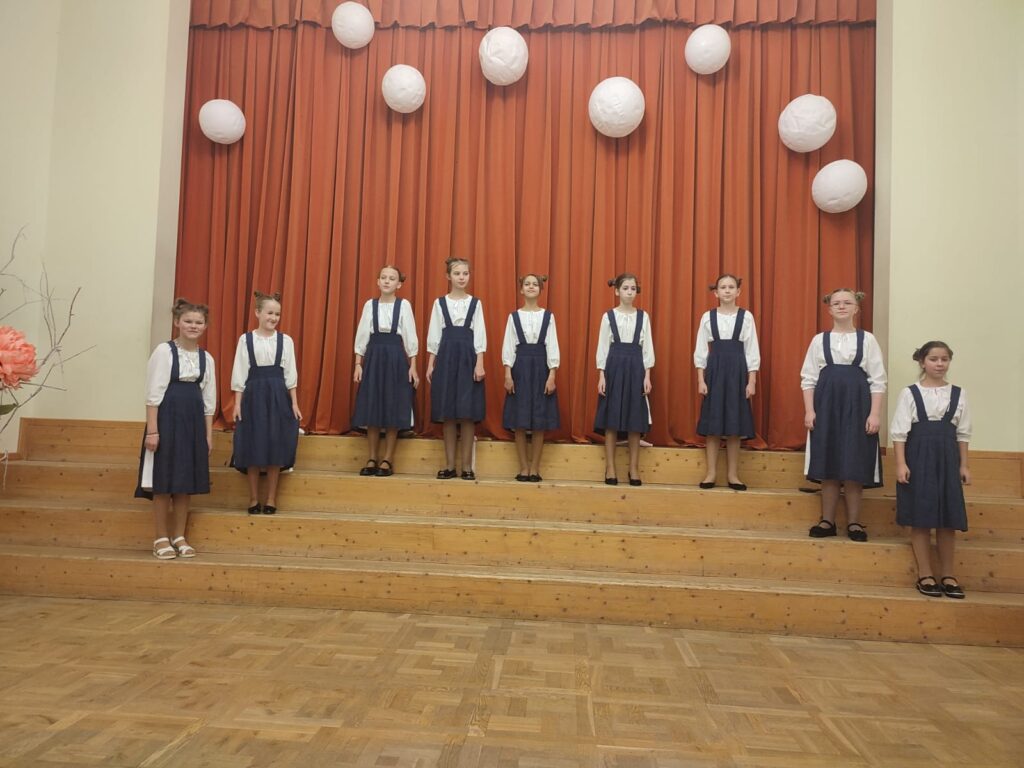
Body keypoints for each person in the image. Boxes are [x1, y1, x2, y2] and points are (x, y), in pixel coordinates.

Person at [801, 289, 886, 542]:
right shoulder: (819, 341)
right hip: (826, 407)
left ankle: (854, 522)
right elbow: (808, 378)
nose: (841, 306)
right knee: (828, 462)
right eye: (836, 303)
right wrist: (810, 410)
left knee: (854, 462)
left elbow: (878, 380)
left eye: (847, 302)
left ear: (856, 308)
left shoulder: (867, 340)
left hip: (858, 407)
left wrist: (874, 414)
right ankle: (827, 521)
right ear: (829, 309)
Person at [135, 298, 216, 559]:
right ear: (177, 322)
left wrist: (207, 436)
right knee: (164, 481)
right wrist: (153, 431)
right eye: (188, 321)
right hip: (167, 421)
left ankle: (179, 536)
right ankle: (160, 537)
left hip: (193, 425)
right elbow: (153, 395)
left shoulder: (207, 359)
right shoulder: (164, 352)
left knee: (184, 482)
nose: (193, 325)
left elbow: (209, 402)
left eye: (198, 322)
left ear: (205, 326)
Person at [891, 341, 971, 598]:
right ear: (922, 362)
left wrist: (963, 465)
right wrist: (901, 464)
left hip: (947, 459)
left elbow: (963, 434)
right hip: (918, 459)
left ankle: (948, 574)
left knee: (948, 519)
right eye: (934, 359)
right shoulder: (910, 393)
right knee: (921, 516)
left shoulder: (958, 394)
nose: (939, 364)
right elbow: (899, 433)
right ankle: (925, 574)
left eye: (944, 359)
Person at [230, 291, 301, 515]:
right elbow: (239, 373)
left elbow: (291, 375)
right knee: (252, 444)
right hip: (253, 396)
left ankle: (271, 498)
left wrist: (294, 403)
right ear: (258, 313)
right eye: (269, 313)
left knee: (275, 445)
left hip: (278, 396)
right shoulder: (246, 340)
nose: (273, 318)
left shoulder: (285, 341)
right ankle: (253, 499)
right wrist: (238, 403)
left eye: (277, 314)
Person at [352, 265, 419, 477]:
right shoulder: (370, 305)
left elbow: (410, 336)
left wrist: (413, 366)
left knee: (393, 407)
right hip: (373, 358)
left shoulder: (404, 306)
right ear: (378, 281)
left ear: (399, 284)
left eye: (392, 278)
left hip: (396, 358)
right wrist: (358, 364)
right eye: (383, 277)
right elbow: (362, 335)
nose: (387, 281)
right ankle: (372, 457)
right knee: (372, 407)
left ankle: (388, 459)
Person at [694, 274, 759, 490]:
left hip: (737, 373)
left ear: (738, 291)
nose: (727, 290)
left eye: (731, 287)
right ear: (716, 293)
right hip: (715, 372)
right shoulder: (707, 317)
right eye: (723, 287)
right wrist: (701, 379)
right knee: (713, 425)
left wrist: (751, 381)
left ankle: (733, 475)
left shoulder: (746, 317)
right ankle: (711, 473)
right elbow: (701, 350)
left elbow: (752, 350)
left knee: (734, 424)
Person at [426, 257, 486, 480]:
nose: (462, 277)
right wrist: (431, 363)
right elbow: (434, 334)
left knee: (467, 414)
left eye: (465, 273)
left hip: (468, 359)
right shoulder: (439, 303)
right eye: (457, 273)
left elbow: (480, 334)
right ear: (448, 276)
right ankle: (450, 465)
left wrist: (480, 362)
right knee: (448, 413)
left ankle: (467, 467)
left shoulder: (475, 303)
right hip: (446, 358)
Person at [594, 273, 654, 486]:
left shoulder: (643, 317)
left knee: (634, 420)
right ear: (617, 291)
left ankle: (633, 468)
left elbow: (647, 348)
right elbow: (603, 347)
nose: (630, 292)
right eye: (626, 288)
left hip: (636, 368)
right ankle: (610, 467)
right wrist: (602, 375)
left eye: (633, 288)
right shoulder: (608, 316)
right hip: (614, 368)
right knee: (611, 419)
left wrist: (647, 375)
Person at [502, 274, 560, 482]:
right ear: (521, 290)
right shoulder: (514, 317)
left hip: (541, 368)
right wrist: (508, 374)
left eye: (535, 284)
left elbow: (552, 346)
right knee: (519, 420)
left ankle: (535, 467)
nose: (531, 287)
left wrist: (552, 375)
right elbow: (508, 346)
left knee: (539, 421)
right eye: (527, 284)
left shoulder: (548, 317)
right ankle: (523, 467)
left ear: (540, 289)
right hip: (520, 369)